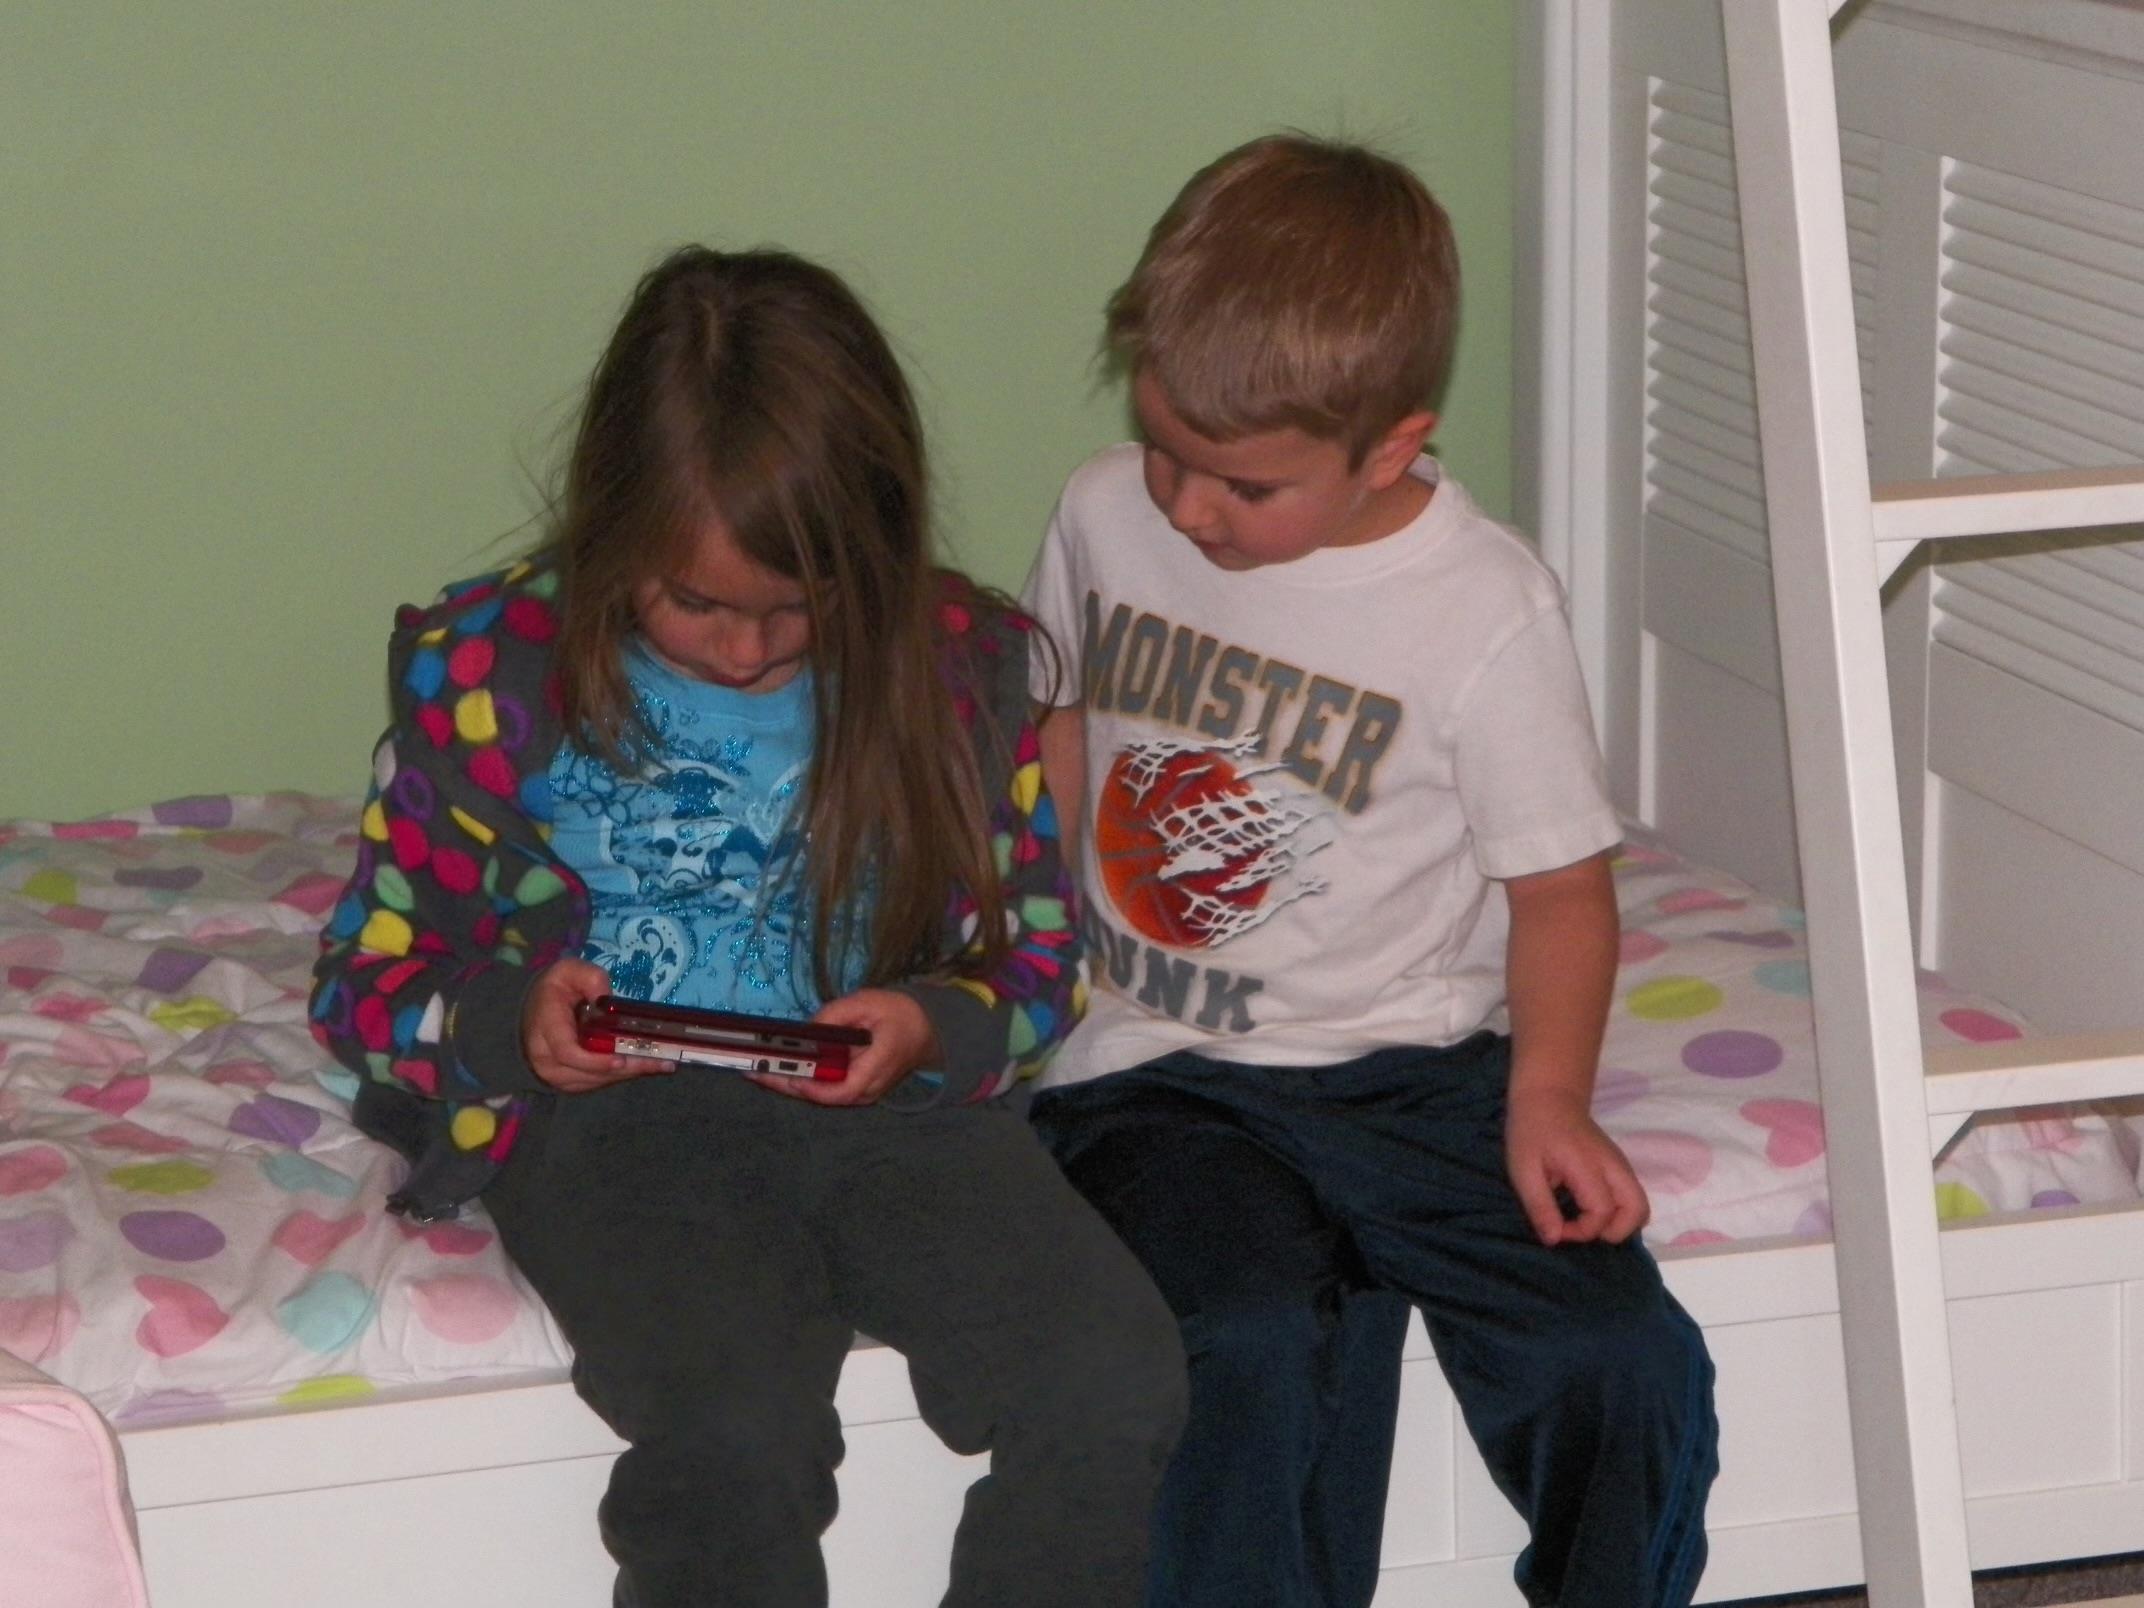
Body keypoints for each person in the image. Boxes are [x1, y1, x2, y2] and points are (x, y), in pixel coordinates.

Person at [310, 245, 1186, 1608]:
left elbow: (1035, 965)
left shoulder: (962, 670)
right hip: (621, 1128)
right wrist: (514, 1025)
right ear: (611, 538)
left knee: (1112, 1375)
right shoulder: (487, 682)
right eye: (696, 604)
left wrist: (932, 1025)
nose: (745, 650)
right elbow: (366, 978)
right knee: (737, 1425)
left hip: (900, 1117)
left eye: (798, 607)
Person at [1021, 134, 1719, 1608]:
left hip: (1416, 1071)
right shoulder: (1103, 515)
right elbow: (1064, 723)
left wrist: (1549, 1101)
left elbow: (1562, 892)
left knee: (1621, 1362)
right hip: (1158, 1064)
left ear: (1392, 447)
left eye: (1241, 484)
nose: (1188, 508)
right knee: (1251, 1337)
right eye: (1164, 449)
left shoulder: (1483, 609)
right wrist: (1015, 938)